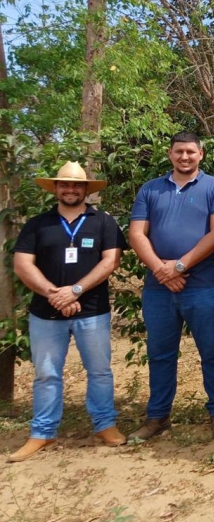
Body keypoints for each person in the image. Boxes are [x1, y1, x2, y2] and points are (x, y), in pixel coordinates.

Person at [10, 161, 127, 462]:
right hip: (45, 313)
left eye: (76, 185)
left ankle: (105, 425)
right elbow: (23, 265)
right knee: (46, 374)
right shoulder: (38, 224)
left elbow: (110, 262)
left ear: (86, 189)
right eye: (65, 185)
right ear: (56, 189)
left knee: (99, 371)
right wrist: (54, 293)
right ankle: (42, 432)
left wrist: (75, 291)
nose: (71, 189)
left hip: (92, 311)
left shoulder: (103, 222)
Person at [128, 132, 214, 443]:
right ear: (170, 153)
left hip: (203, 285)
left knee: (213, 351)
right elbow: (137, 234)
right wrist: (162, 271)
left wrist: (178, 266)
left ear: (201, 154)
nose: (184, 157)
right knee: (160, 354)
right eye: (179, 152)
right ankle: (158, 416)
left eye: (190, 152)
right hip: (158, 289)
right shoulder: (151, 189)